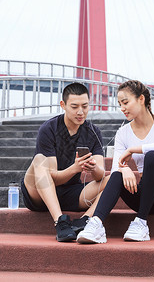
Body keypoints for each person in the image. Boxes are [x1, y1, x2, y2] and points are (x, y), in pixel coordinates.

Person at [77, 80, 154, 244]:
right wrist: (125, 169)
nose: (122, 108)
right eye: (120, 104)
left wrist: (132, 149)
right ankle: (96, 224)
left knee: (153, 156)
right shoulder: (123, 132)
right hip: (145, 196)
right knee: (117, 175)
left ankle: (141, 223)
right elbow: (115, 169)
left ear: (141, 99)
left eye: (126, 102)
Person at [21, 82, 106, 242]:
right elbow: (51, 178)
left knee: (113, 179)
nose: (81, 112)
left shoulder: (94, 132)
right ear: (63, 105)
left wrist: (93, 168)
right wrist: (75, 168)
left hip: (71, 192)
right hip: (39, 192)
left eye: (85, 106)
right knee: (39, 160)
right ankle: (60, 222)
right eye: (74, 107)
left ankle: (84, 221)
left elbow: (101, 175)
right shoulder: (49, 129)